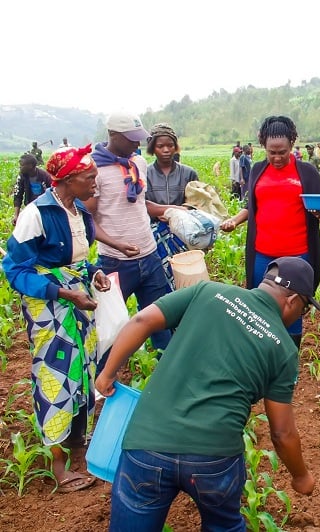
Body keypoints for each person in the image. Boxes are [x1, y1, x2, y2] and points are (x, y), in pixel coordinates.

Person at [95, 257, 318, 531]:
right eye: (305, 309)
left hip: (148, 444)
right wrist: (301, 476)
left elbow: (142, 319)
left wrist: (107, 373)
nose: (300, 315)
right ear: (293, 300)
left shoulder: (208, 291)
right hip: (214, 458)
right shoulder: (283, 350)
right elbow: (282, 433)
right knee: (224, 524)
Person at [2, 144, 111, 493]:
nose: (95, 183)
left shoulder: (78, 210)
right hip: (51, 306)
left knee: (84, 370)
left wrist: (94, 273)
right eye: (90, 177)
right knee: (56, 376)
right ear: (67, 178)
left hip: (77, 300)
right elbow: (14, 269)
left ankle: (77, 437)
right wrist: (62, 292)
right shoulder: (37, 214)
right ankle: (59, 468)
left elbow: (76, 261)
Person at [220, 115, 320, 349]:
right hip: (263, 255)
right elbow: (252, 207)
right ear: (263, 147)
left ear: (291, 145)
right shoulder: (257, 170)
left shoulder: (306, 172)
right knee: (260, 307)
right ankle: (263, 358)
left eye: (282, 152)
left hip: (297, 257)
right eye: (271, 152)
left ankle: (288, 365)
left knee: (292, 309)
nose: (277, 158)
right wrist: (235, 220)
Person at [85, 112, 174, 353]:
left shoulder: (138, 163)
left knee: (160, 323)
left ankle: (165, 373)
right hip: (116, 262)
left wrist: (173, 211)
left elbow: (139, 204)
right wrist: (116, 244)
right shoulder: (95, 171)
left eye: (139, 138)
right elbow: (88, 220)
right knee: (111, 327)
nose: (137, 144)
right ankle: (104, 382)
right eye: (131, 138)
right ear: (113, 135)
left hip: (150, 256)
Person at [145, 123, 200, 288]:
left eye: (170, 145)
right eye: (160, 146)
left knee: (186, 283)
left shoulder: (188, 173)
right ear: (153, 148)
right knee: (158, 284)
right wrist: (163, 212)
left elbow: (196, 204)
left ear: (176, 146)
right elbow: (141, 205)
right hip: (154, 237)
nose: (166, 150)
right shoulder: (145, 174)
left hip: (183, 236)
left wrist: (177, 213)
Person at [12, 153, 52, 226]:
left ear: (30, 166)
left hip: (45, 208)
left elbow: (52, 194)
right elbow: (18, 195)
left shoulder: (45, 176)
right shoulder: (22, 176)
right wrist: (16, 215)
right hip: (30, 207)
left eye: (22, 165)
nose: (19, 167)